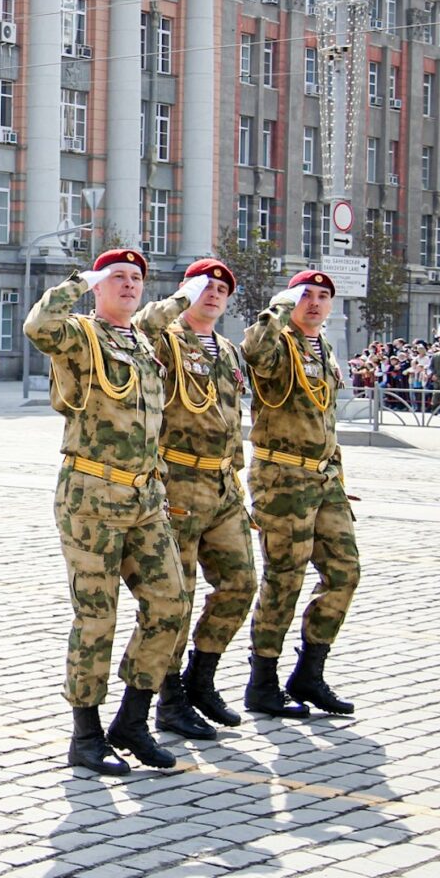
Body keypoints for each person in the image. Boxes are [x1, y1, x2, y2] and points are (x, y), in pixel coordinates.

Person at [24, 249, 188, 776]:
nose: (129, 285)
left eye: (136, 278)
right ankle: (86, 733)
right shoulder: (80, 335)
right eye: (117, 277)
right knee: (97, 616)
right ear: (98, 286)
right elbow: (38, 325)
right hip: (91, 495)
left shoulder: (140, 341)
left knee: (170, 603)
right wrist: (79, 281)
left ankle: (133, 720)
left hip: (144, 496)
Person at [131, 259, 256, 741]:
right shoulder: (166, 338)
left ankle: (201, 678)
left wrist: (238, 482)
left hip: (223, 486)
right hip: (178, 483)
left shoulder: (226, 349)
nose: (215, 293)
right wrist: (180, 300)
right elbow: (143, 323)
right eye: (205, 285)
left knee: (240, 583)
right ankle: (169, 697)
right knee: (175, 598)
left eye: (223, 287)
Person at [242, 270, 360, 717]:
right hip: (283, 479)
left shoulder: (323, 346)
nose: (314, 303)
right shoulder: (279, 342)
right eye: (306, 295)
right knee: (284, 579)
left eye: (323, 296)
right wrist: (278, 308)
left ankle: (309, 673)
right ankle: (263, 682)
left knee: (346, 572)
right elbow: (253, 352)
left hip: (325, 479)